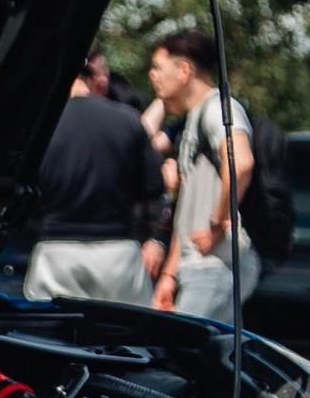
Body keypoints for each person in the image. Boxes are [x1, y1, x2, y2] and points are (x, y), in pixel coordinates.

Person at [146, 22, 257, 320]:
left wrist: (218, 222)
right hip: (195, 264)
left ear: (184, 70)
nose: (152, 75)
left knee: (173, 350)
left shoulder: (218, 108)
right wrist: (170, 274)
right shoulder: (192, 120)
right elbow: (186, 209)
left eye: (159, 67)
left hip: (213, 264)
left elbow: (241, 163)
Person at [25, 69, 164, 306]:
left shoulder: (38, 123)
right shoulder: (128, 120)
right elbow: (153, 189)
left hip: (55, 252)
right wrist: (154, 238)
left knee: (51, 338)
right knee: (128, 336)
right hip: (118, 254)